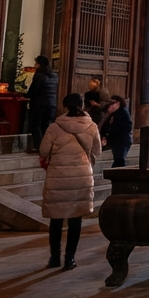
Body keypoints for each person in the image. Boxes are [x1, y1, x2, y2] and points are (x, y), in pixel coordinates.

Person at [39, 92, 101, 270]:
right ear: (83, 105)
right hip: (81, 176)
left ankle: (54, 258)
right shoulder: (91, 126)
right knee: (75, 220)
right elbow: (97, 150)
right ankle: (70, 259)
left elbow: (43, 150)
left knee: (56, 220)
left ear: (65, 106)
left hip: (58, 176)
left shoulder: (55, 127)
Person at [26, 56, 58, 148]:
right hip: (52, 104)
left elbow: (33, 90)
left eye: (36, 63)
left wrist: (25, 95)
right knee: (47, 126)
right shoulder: (55, 75)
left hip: (39, 104)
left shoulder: (39, 75)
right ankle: (47, 146)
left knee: (36, 125)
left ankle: (39, 147)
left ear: (39, 64)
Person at [101, 95, 133, 168]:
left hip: (122, 140)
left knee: (119, 159)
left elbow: (127, 127)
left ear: (118, 103)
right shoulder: (114, 113)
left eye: (113, 104)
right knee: (118, 159)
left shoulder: (123, 112)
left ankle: (118, 174)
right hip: (116, 140)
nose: (111, 106)